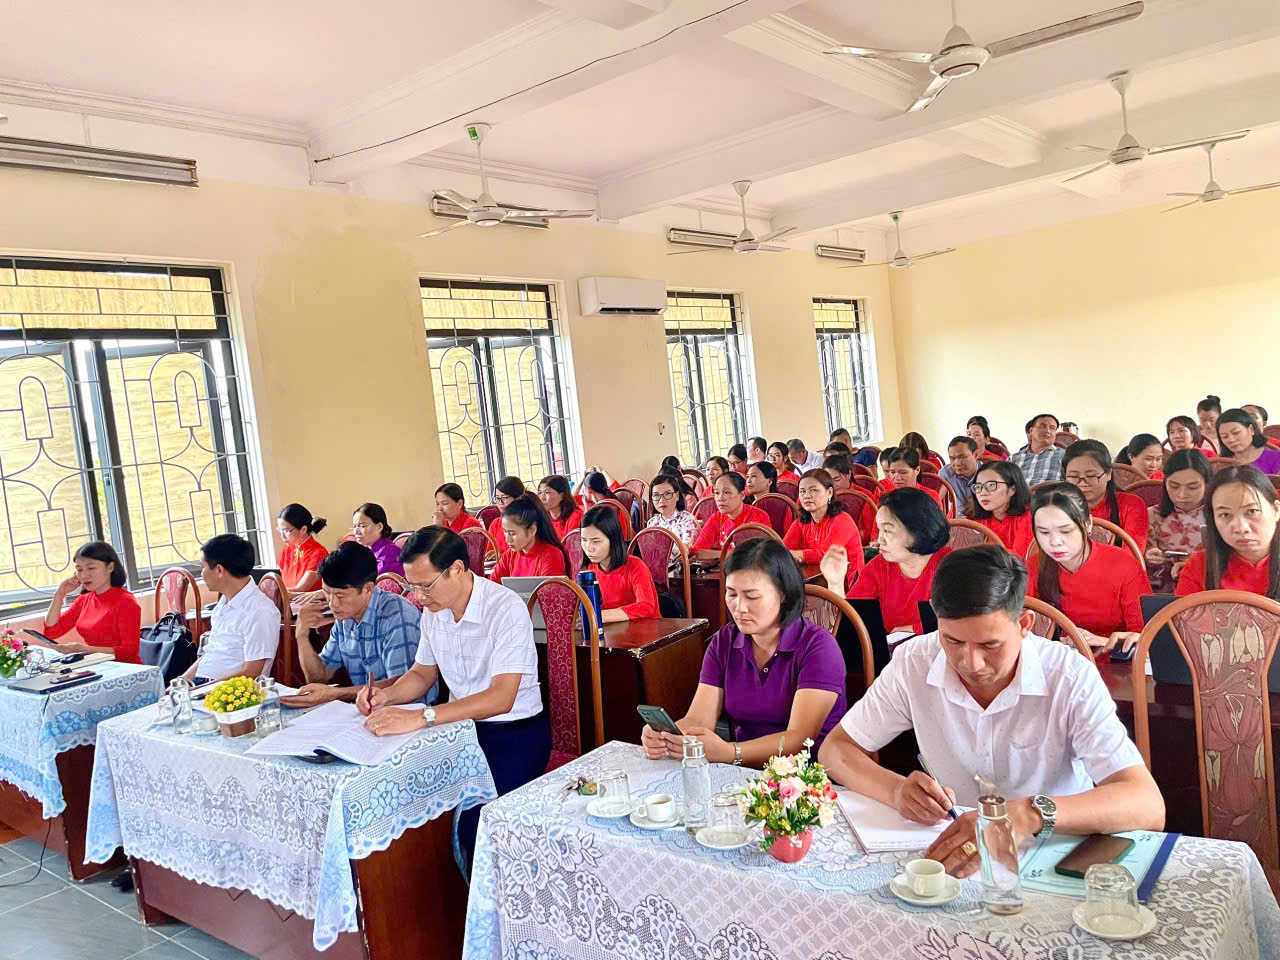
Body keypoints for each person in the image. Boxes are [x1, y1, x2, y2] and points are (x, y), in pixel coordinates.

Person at [818, 545, 1163, 878]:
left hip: (1051, 853)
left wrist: (1028, 814)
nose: (972, 663)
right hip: (955, 850)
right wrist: (895, 791)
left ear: (1024, 624)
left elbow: (1146, 804)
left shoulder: (1068, 677)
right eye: (953, 641)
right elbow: (836, 749)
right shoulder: (915, 662)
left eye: (989, 645)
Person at [358, 527, 549, 874]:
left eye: (425, 586)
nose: (418, 597)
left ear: (457, 569)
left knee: (474, 822)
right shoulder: (434, 611)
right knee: (407, 802)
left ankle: (480, 903)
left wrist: (422, 717)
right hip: (459, 733)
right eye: (412, 587)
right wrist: (387, 695)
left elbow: (502, 698)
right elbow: (421, 674)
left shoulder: (504, 608)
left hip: (514, 735)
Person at [642, 538, 847, 763]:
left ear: (783, 594)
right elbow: (698, 720)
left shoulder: (819, 647)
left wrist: (731, 752)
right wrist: (667, 736)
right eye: (731, 594)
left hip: (810, 775)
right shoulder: (724, 641)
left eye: (752, 597)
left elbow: (798, 739)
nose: (739, 607)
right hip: (743, 770)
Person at [281, 542, 424, 707]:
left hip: (405, 711)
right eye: (327, 593)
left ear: (368, 589)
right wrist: (301, 636)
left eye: (340, 596)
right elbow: (319, 677)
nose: (333, 603)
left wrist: (336, 693)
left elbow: (400, 686)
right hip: (368, 709)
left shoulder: (397, 616)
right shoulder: (345, 617)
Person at [1026, 483, 1147, 653]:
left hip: (1114, 657)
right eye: (1044, 532)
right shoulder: (1033, 566)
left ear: (1088, 524)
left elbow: (1144, 634)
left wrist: (1102, 641)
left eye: (1065, 531)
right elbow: (1022, 629)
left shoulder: (1124, 564)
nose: (1054, 542)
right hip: (1057, 657)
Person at [823, 488, 951, 633]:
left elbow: (959, 622)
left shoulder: (950, 566)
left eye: (888, 531)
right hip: (890, 645)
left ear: (919, 531)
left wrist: (911, 629)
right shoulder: (879, 566)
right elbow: (852, 621)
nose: (879, 540)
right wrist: (836, 584)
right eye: (879, 530)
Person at [184, 534, 280, 683]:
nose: (201, 574)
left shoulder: (260, 611)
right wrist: (182, 682)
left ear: (219, 570)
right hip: (205, 682)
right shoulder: (224, 603)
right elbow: (211, 654)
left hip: (227, 690)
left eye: (203, 567)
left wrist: (199, 690)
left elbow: (251, 673)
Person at [1177, 464, 1280, 598]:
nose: (1241, 528)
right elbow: (1181, 611)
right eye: (1225, 515)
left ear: (1276, 510)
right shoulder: (1199, 565)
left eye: (1252, 511)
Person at [34, 541, 142, 662]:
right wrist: (59, 594)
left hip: (126, 667)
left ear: (110, 567)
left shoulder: (125, 601)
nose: (84, 575)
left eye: (91, 568)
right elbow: (51, 632)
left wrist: (83, 649)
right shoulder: (84, 600)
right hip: (96, 664)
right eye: (79, 569)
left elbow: (130, 652)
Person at [1062, 439, 1149, 552]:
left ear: (1108, 474)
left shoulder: (1130, 505)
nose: (1082, 483)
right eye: (1073, 476)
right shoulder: (1056, 507)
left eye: (1091, 476)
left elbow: (1132, 555)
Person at [1146, 449, 1211, 593]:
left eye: (1193, 487)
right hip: (1162, 590)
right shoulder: (1151, 515)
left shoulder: (1221, 516)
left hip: (1207, 589)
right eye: (1174, 486)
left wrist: (1196, 565)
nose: (1182, 495)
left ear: (1207, 484)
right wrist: (1149, 557)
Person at [579, 505, 660, 620]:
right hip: (613, 630)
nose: (588, 548)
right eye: (584, 540)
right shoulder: (591, 570)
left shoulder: (635, 566)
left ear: (613, 540)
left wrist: (601, 616)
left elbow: (647, 606)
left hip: (645, 628)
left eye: (596, 541)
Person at [784, 469, 863, 583]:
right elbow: (784, 549)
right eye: (802, 491)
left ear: (829, 492)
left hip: (848, 583)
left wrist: (800, 555)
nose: (806, 496)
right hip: (817, 580)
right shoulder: (801, 522)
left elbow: (826, 554)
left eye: (813, 490)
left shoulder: (842, 520)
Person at [689, 472, 772, 559]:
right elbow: (697, 552)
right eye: (717, 493)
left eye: (727, 492)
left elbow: (756, 554)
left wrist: (718, 554)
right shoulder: (716, 518)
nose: (720, 498)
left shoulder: (758, 516)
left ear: (742, 495)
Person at [490, 494, 570, 582]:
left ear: (532, 530)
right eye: (505, 532)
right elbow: (491, 583)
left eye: (512, 533)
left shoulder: (551, 555)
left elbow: (549, 590)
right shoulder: (510, 555)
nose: (507, 539)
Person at [965, 460, 1034, 556]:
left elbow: (1020, 557)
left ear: (1012, 489)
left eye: (991, 485)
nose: (982, 493)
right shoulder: (972, 517)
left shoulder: (1029, 516)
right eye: (978, 486)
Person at [276, 504, 328, 592]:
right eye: (280, 530)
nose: (282, 536)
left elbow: (300, 590)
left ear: (303, 529)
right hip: (285, 598)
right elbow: (277, 578)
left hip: (304, 600)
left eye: (286, 531)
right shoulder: (287, 550)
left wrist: (274, 592)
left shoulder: (318, 553)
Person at [879, 447, 945, 513]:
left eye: (903, 472)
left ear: (917, 470)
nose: (897, 478)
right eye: (892, 472)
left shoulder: (930, 497)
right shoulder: (885, 495)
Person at [1217, 407, 1280, 474]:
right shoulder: (1220, 464)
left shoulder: (1276, 458)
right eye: (1225, 437)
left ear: (1251, 429)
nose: (1231, 440)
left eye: (1236, 433)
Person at [645, 473, 699, 547]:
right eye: (656, 495)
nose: (661, 500)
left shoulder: (688, 520)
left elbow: (685, 550)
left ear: (677, 496)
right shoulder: (652, 523)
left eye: (667, 494)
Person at [1011, 413, 1064, 487]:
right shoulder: (1013, 458)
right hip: (1019, 494)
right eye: (1043, 426)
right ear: (1031, 431)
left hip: (1049, 493)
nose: (1048, 431)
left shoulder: (1064, 456)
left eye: (1052, 428)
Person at [352, 502, 404, 577]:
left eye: (362, 526)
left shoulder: (389, 554)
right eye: (354, 526)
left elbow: (370, 580)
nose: (356, 531)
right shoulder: (366, 552)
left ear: (379, 527)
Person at [939, 436, 979, 512]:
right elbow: (936, 499)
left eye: (962, 457)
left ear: (975, 454)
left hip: (983, 516)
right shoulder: (947, 472)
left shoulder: (988, 473)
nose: (957, 463)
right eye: (952, 458)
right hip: (958, 516)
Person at [537, 475, 583, 539]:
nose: (542, 498)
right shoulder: (543, 518)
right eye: (540, 493)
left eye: (547, 492)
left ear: (561, 496)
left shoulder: (575, 517)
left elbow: (571, 544)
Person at [489, 477, 527, 543]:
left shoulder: (527, 522)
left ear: (518, 498)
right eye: (497, 498)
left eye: (504, 497)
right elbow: (490, 548)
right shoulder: (495, 524)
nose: (500, 502)